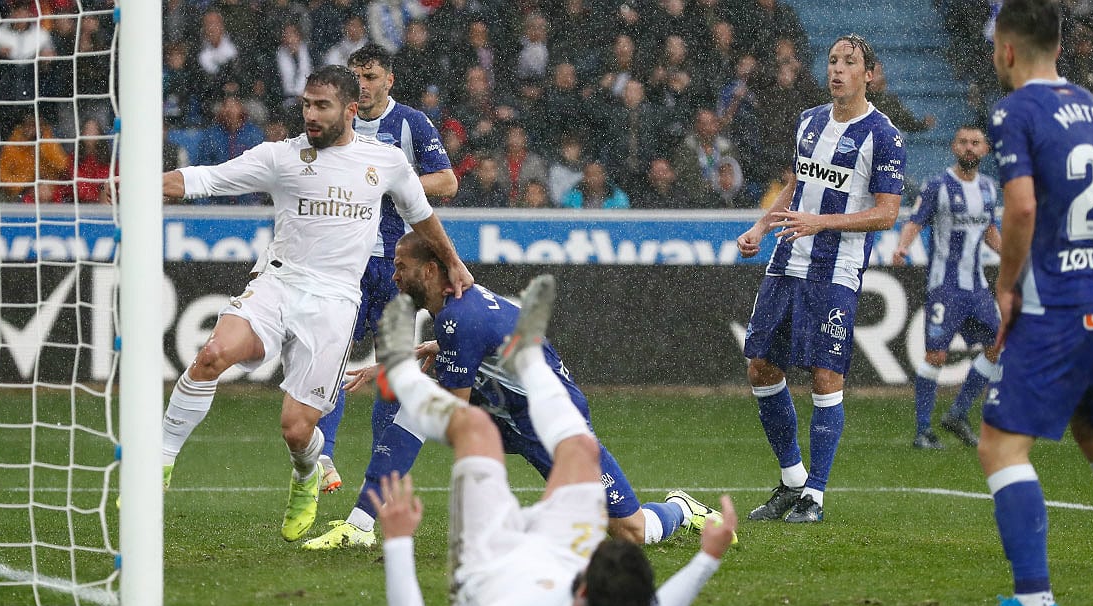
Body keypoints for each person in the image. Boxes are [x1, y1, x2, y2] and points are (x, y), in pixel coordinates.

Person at [140, 65, 471, 543]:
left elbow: (422, 216)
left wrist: (453, 264)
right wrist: (140, 183)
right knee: (212, 354)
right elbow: (205, 179)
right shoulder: (282, 156)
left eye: (322, 106)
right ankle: (160, 462)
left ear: (350, 110)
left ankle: (305, 473)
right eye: (306, 105)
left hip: (335, 301)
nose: (310, 115)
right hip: (278, 282)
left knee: (297, 430)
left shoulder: (386, 162)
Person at [371, 276, 738, 606]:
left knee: (474, 429)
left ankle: (402, 373)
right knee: (584, 452)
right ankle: (527, 357)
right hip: (556, 552)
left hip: (493, 557)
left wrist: (398, 541)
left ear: (582, 589)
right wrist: (707, 559)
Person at [302, 234, 728, 550]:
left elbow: (456, 415)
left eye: (401, 267)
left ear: (429, 271)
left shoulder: (457, 318)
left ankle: (681, 508)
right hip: (510, 415)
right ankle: (360, 524)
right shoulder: (457, 307)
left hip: (556, 427)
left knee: (631, 532)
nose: (394, 276)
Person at [954, 0, 1093, 606]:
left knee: (1000, 444)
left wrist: (1006, 286)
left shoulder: (1014, 111)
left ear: (1007, 49)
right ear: (1060, 46)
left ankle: (1035, 602)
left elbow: (1020, 208)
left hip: (1058, 306)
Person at [737, 34, 905, 524]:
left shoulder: (884, 135)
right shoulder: (808, 121)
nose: (837, 69)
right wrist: (762, 226)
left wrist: (822, 223)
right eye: (832, 60)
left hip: (836, 270)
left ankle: (816, 495)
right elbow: (797, 185)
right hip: (787, 259)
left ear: (868, 74)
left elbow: (887, 214)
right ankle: (792, 479)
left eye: (849, 62)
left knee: (825, 375)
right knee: (761, 367)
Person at [305, 44, 460, 499]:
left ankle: (381, 472)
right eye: (356, 77)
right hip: (346, 261)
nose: (363, 85)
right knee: (329, 355)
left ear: (389, 80)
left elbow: (447, 181)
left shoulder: (410, 123)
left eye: (370, 77)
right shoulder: (338, 122)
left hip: (397, 268)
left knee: (392, 367)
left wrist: (389, 181)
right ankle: (323, 456)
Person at [891, 126, 1002, 450]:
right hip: (945, 286)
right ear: (954, 147)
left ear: (985, 150)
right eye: (963, 142)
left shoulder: (988, 188)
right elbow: (915, 220)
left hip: (977, 287)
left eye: (975, 143)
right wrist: (902, 246)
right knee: (936, 355)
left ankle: (957, 413)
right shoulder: (938, 186)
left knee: (997, 347)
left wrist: (1013, 256)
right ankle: (923, 430)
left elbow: (988, 230)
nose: (969, 147)